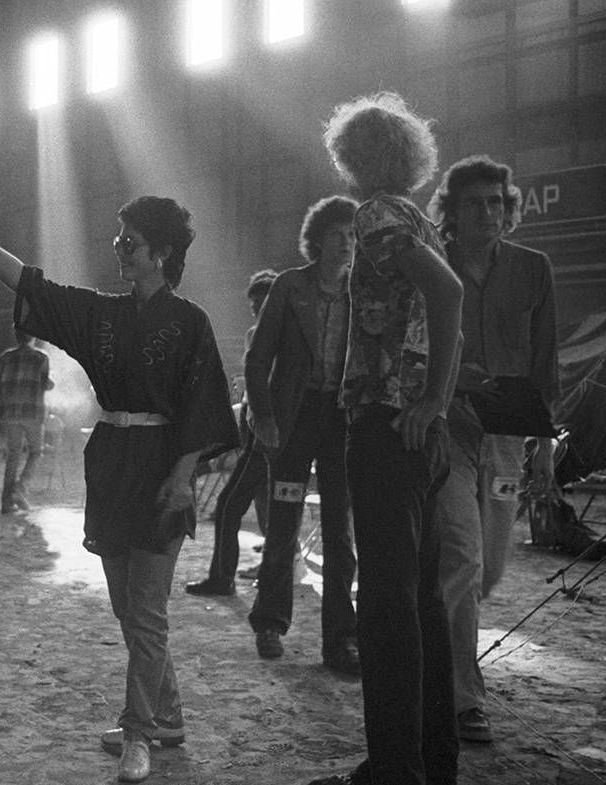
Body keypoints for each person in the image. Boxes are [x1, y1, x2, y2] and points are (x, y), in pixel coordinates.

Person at [0, 194, 239, 783]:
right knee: (129, 607)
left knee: (146, 612)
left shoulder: (191, 322)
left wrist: (182, 476)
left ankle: (140, 734)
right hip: (114, 463)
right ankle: (166, 713)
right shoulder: (103, 315)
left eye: (131, 242)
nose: (119, 249)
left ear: (162, 252)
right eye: (118, 240)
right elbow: (30, 283)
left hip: (163, 466)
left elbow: (206, 406)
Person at [310, 92, 464, 785]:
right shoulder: (420, 219)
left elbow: (449, 294)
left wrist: (428, 397)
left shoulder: (375, 216)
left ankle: (394, 767)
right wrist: (437, 401)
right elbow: (445, 307)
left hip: (386, 422)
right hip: (420, 434)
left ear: (355, 156)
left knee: (385, 604)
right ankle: (432, 759)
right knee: (424, 603)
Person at [426, 155, 560, 744]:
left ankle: (441, 647)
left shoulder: (534, 269)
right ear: (450, 213)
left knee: (490, 567)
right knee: (462, 555)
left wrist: (547, 444)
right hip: (449, 428)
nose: (489, 212)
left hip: (508, 437)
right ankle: (460, 699)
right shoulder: (431, 268)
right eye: (475, 203)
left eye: (498, 202)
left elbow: (545, 358)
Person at [243, 197, 360, 675]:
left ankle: (341, 640)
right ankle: (270, 621)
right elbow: (257, 359)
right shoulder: (290, 286)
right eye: (337, 235)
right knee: (284, 522)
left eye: (353, 236)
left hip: (341, 420)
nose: (346, 244)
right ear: (318, 239)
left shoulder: (362, 292)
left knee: (340, 532)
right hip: (294, 417)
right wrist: (264, 418)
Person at [184, 268, 277, 596]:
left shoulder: (268, 336)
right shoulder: (264, 333)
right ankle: (271, 567)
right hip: (260, 433)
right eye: (253, 304)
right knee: (266, 504)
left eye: (262, 302)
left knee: (228, 506)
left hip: (265, 435)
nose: (256, 310)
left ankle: (223, 578)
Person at [0, 327, 55, 513]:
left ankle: (6, 503)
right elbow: (45, 383)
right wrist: (51, 384)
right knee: (35, 452)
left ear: (16, 337)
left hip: (10, 413)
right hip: (32, 412)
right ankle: (20, 489)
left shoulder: (6, 357)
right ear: (33, 337)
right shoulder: (41, 358)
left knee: (13, 455)